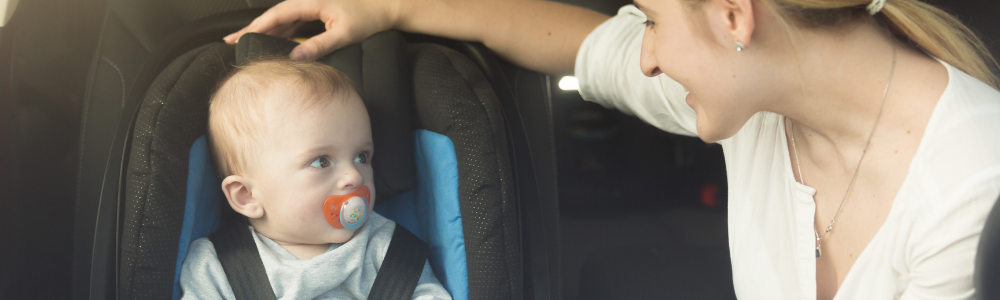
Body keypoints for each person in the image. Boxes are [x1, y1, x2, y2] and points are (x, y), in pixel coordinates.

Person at [224, 0, 1000, 299]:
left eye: (653, 21)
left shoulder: (972, 193)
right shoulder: (759, 95)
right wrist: (391, 5)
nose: (649, 57)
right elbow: (580, 42)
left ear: (734, 16)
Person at [179, 58, 451, 300]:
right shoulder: (218, 266)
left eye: (362, 157)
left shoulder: (386, 249)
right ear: (246, 195)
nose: (355, 176)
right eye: (321, 161)